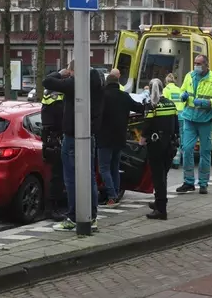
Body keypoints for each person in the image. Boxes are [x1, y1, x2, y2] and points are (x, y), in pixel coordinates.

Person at [43, 61, 104, 232]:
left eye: (70, 72)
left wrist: (61, 73)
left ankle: (73, 217)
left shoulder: (77, 82)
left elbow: (47, 82)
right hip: (89, 135)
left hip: (73, 137)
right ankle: (91, 217)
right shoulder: (98, 81)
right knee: (89, 177)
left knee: (71, 179)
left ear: (73, 71)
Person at [177, 55, 212, 195]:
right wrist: (183, 96)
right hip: (189, 119)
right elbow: (182, 91)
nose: (196, 66)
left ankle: (203, 183)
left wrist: (206, 103)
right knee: (186, 149)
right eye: (195, 63)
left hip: (205, 120)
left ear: (206, 65)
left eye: (199, 63)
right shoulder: (189, 76)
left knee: (205, 152)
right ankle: (188, 182)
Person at [97, 69, 145, 208]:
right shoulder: (125, 96)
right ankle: (116, 194)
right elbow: (139, 108)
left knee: (104, 168)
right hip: (120, 137)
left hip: (104, 138)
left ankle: (111, 196)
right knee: (114, 167)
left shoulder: (102, 96)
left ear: (106, 83)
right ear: (117, 83)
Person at [140, 78, 179, 220]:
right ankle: (159, 201)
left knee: (158, 177)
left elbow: (147, 126)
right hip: (170, 145)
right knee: (164, 175)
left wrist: (142, 141)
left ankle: (161, 209)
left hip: (156, 146)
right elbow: (176, 125)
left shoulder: (151, 105)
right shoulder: (170, 104)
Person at [41, 88, 67, 221]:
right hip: (56, 141)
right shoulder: (59, 100)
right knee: (57, 177)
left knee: (54, 176)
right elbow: (61, 121)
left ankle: (51, 207)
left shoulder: (48, 97)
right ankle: (52, 209)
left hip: (49, 141)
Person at [163, 73, 185, 168]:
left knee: (171, 138)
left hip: (172, 116)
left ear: (166, 81)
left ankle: (171, 160)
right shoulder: (179, 89)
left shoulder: (166, 90)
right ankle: (178, 161)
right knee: (181, 139)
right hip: (182, 116)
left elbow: (163, 103)